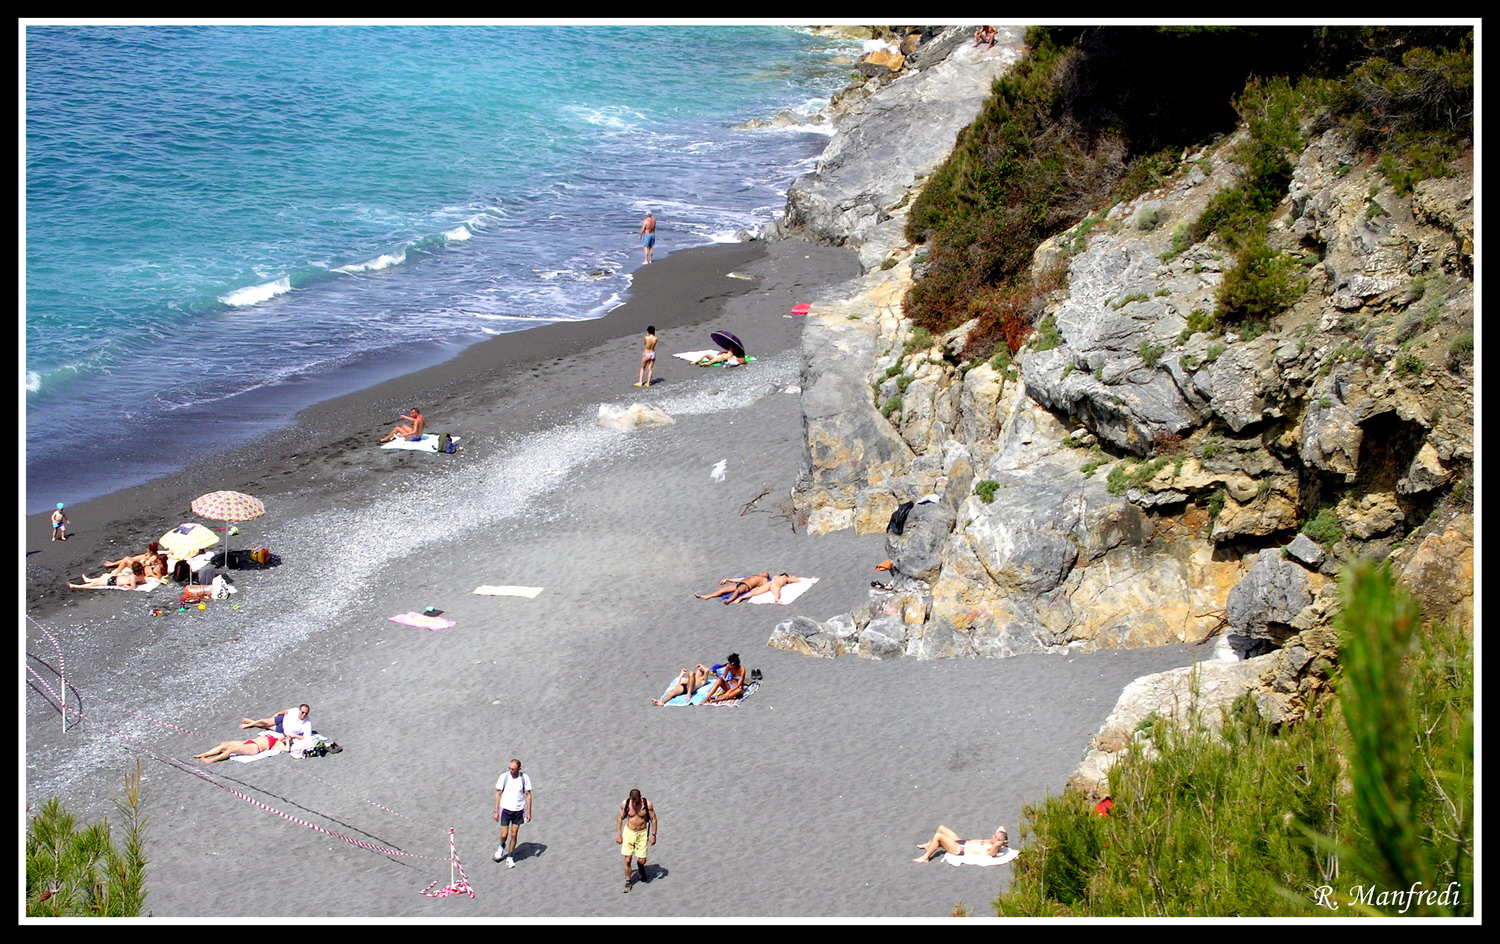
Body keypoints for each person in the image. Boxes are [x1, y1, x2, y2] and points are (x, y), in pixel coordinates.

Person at [492, 758, 533, 868]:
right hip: (505, 809)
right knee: (504, 834)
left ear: (519, 769)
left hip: (518, 810)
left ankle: (510, 856)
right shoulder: (503, 777)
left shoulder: (524, 778)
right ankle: (501, 846)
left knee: (514, 834)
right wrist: (496, 811)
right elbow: (498, 793)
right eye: (509, 768)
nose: (511, 771)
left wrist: (529, 811)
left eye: (513, 769)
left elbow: (528, 795)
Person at [616, 788, 658, 893]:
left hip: (642, 833)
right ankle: (628, 881)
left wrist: (654, 835)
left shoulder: (647, 805)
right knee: (627, 859)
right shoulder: (625, 804)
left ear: (640, 797)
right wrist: (619, 835)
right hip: (629, 832)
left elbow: (653, 819)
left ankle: (640, 867)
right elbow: (620, 819)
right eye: (633, 802)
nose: (635, 804)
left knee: (642, 860)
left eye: (637, 802)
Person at [913, 824, 1008, 863]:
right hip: (961, 841)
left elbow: (994, 850)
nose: (992, 835)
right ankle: (929, 846)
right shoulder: (992, 841)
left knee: (939, 836)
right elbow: (1001, 827)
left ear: (999, 842)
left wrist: (1002, 842)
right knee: (941, 828)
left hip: (959, 849)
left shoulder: (993, 848)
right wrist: (1002, 838)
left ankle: (925, 857)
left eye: (994, 836)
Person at [193, 731, 295, 764]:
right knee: (224, 744)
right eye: (286, 737)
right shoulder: (277, 736)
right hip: (250, 741)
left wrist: (287, 742)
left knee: (231, 750)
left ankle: (212, 760)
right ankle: (204, 754)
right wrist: (285, 737)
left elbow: (287, 749)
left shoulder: (280, 745)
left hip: (255, 747)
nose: (285, 738)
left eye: (287, 738)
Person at [651, 664, 720, 706]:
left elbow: (707, 670)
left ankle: (689, 693)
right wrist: (681, 674)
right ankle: (661, 702)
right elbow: (677, 684)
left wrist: (701, 667)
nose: (698, 671)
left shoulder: (702, 680)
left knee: (691, 673)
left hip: (691, 689)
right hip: (684, 686)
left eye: (700, 671)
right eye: (698, 671)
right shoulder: (690, 678)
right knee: (671, 692)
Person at [240, 704, 313, 741]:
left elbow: (305, 738)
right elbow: (286, 711)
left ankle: (252, 722)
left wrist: (294, 736)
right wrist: (278, 713)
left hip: (283, 729)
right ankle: (249, 725)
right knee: (265, 722)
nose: (304, 715)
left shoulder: (307, 723)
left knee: (267, 727)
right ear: (299, 710)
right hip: (282, 719)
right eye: (302, 712)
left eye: (306, 713)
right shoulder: (295, 710)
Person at [68, 561, 142, 590]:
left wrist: (127, 586)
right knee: (103, 577)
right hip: (116, 579)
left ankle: (76, 586)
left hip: (114, 581)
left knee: (95, 583)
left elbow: (133, 587)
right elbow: (144, 582)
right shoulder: (140, 576)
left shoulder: (132, 577)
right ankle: (88, 580)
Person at [740, 572, 805, 604]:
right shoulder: (786, 578)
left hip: (770, 583)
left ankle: (742, 597)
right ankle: (777, 599)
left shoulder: (776, 576)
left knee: (756, 592)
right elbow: (798, 580)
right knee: (776, 591)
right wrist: (793, 578)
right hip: (775, 584)